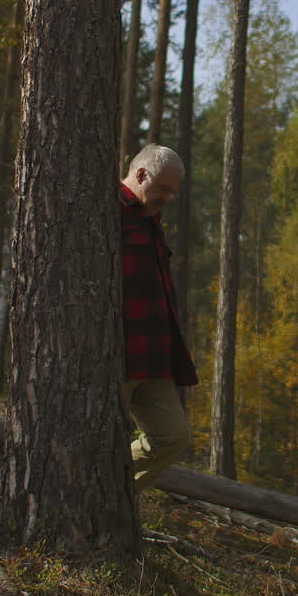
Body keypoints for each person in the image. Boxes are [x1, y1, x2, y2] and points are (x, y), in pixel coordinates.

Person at [118, 144, 197, 493]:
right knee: (96, 437)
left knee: (172, 437)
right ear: (140, 174)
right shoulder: (106, 212)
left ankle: (110, 490)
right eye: (164, 188)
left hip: (152, 359)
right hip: (116, 354)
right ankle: (96, 491)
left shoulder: (151, 222)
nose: (168, 197)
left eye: (173, 192)